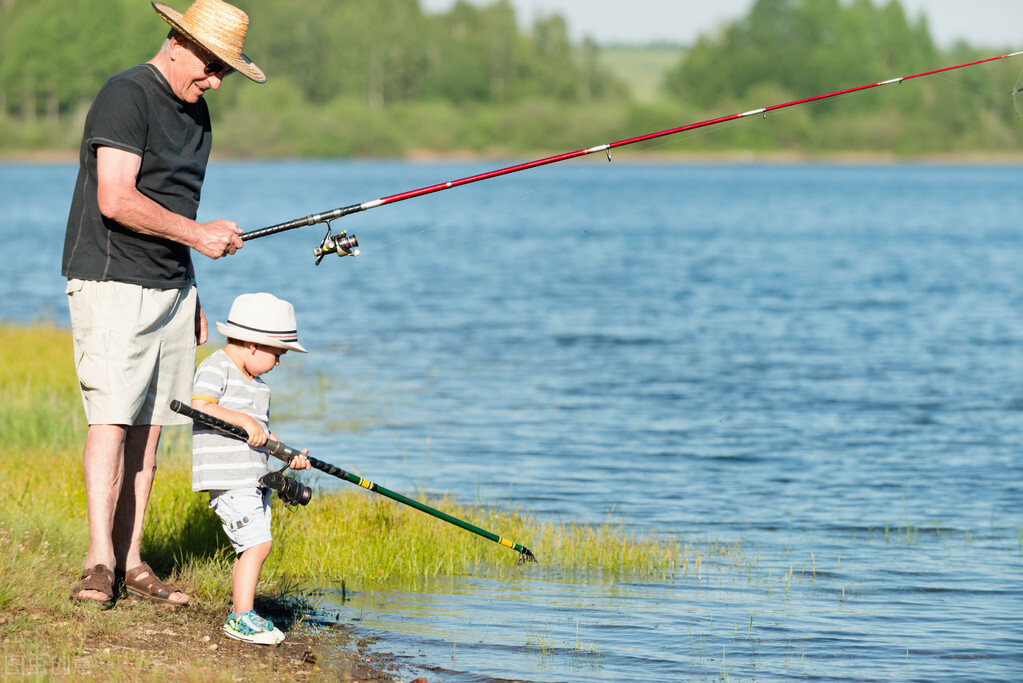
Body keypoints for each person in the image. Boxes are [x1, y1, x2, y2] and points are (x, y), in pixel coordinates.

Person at [63, 0, 267, 607]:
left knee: (150, 433)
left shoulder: (199, 115)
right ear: (177, 40)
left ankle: (132, 561)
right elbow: (115, 199)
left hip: (172, 287)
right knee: (112, 418)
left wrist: (192, 283)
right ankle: (98, 562)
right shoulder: (126, 95)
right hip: (111, 281)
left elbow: (176, 209)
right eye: (212, 65)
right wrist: (198, 237)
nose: (215, 80)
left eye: (225, 72)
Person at [191, 293, 311, 645]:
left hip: (253, 478)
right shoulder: (217, 365)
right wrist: (241, 418)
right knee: (259, 544)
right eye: (278, 354)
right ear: (254, 345)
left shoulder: (258, 385)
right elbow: (202, 405)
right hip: (229, 478)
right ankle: (241, 618)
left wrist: (288, 456)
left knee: (252, 545)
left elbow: (262, 435)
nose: (279, 363)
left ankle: (245, 611)